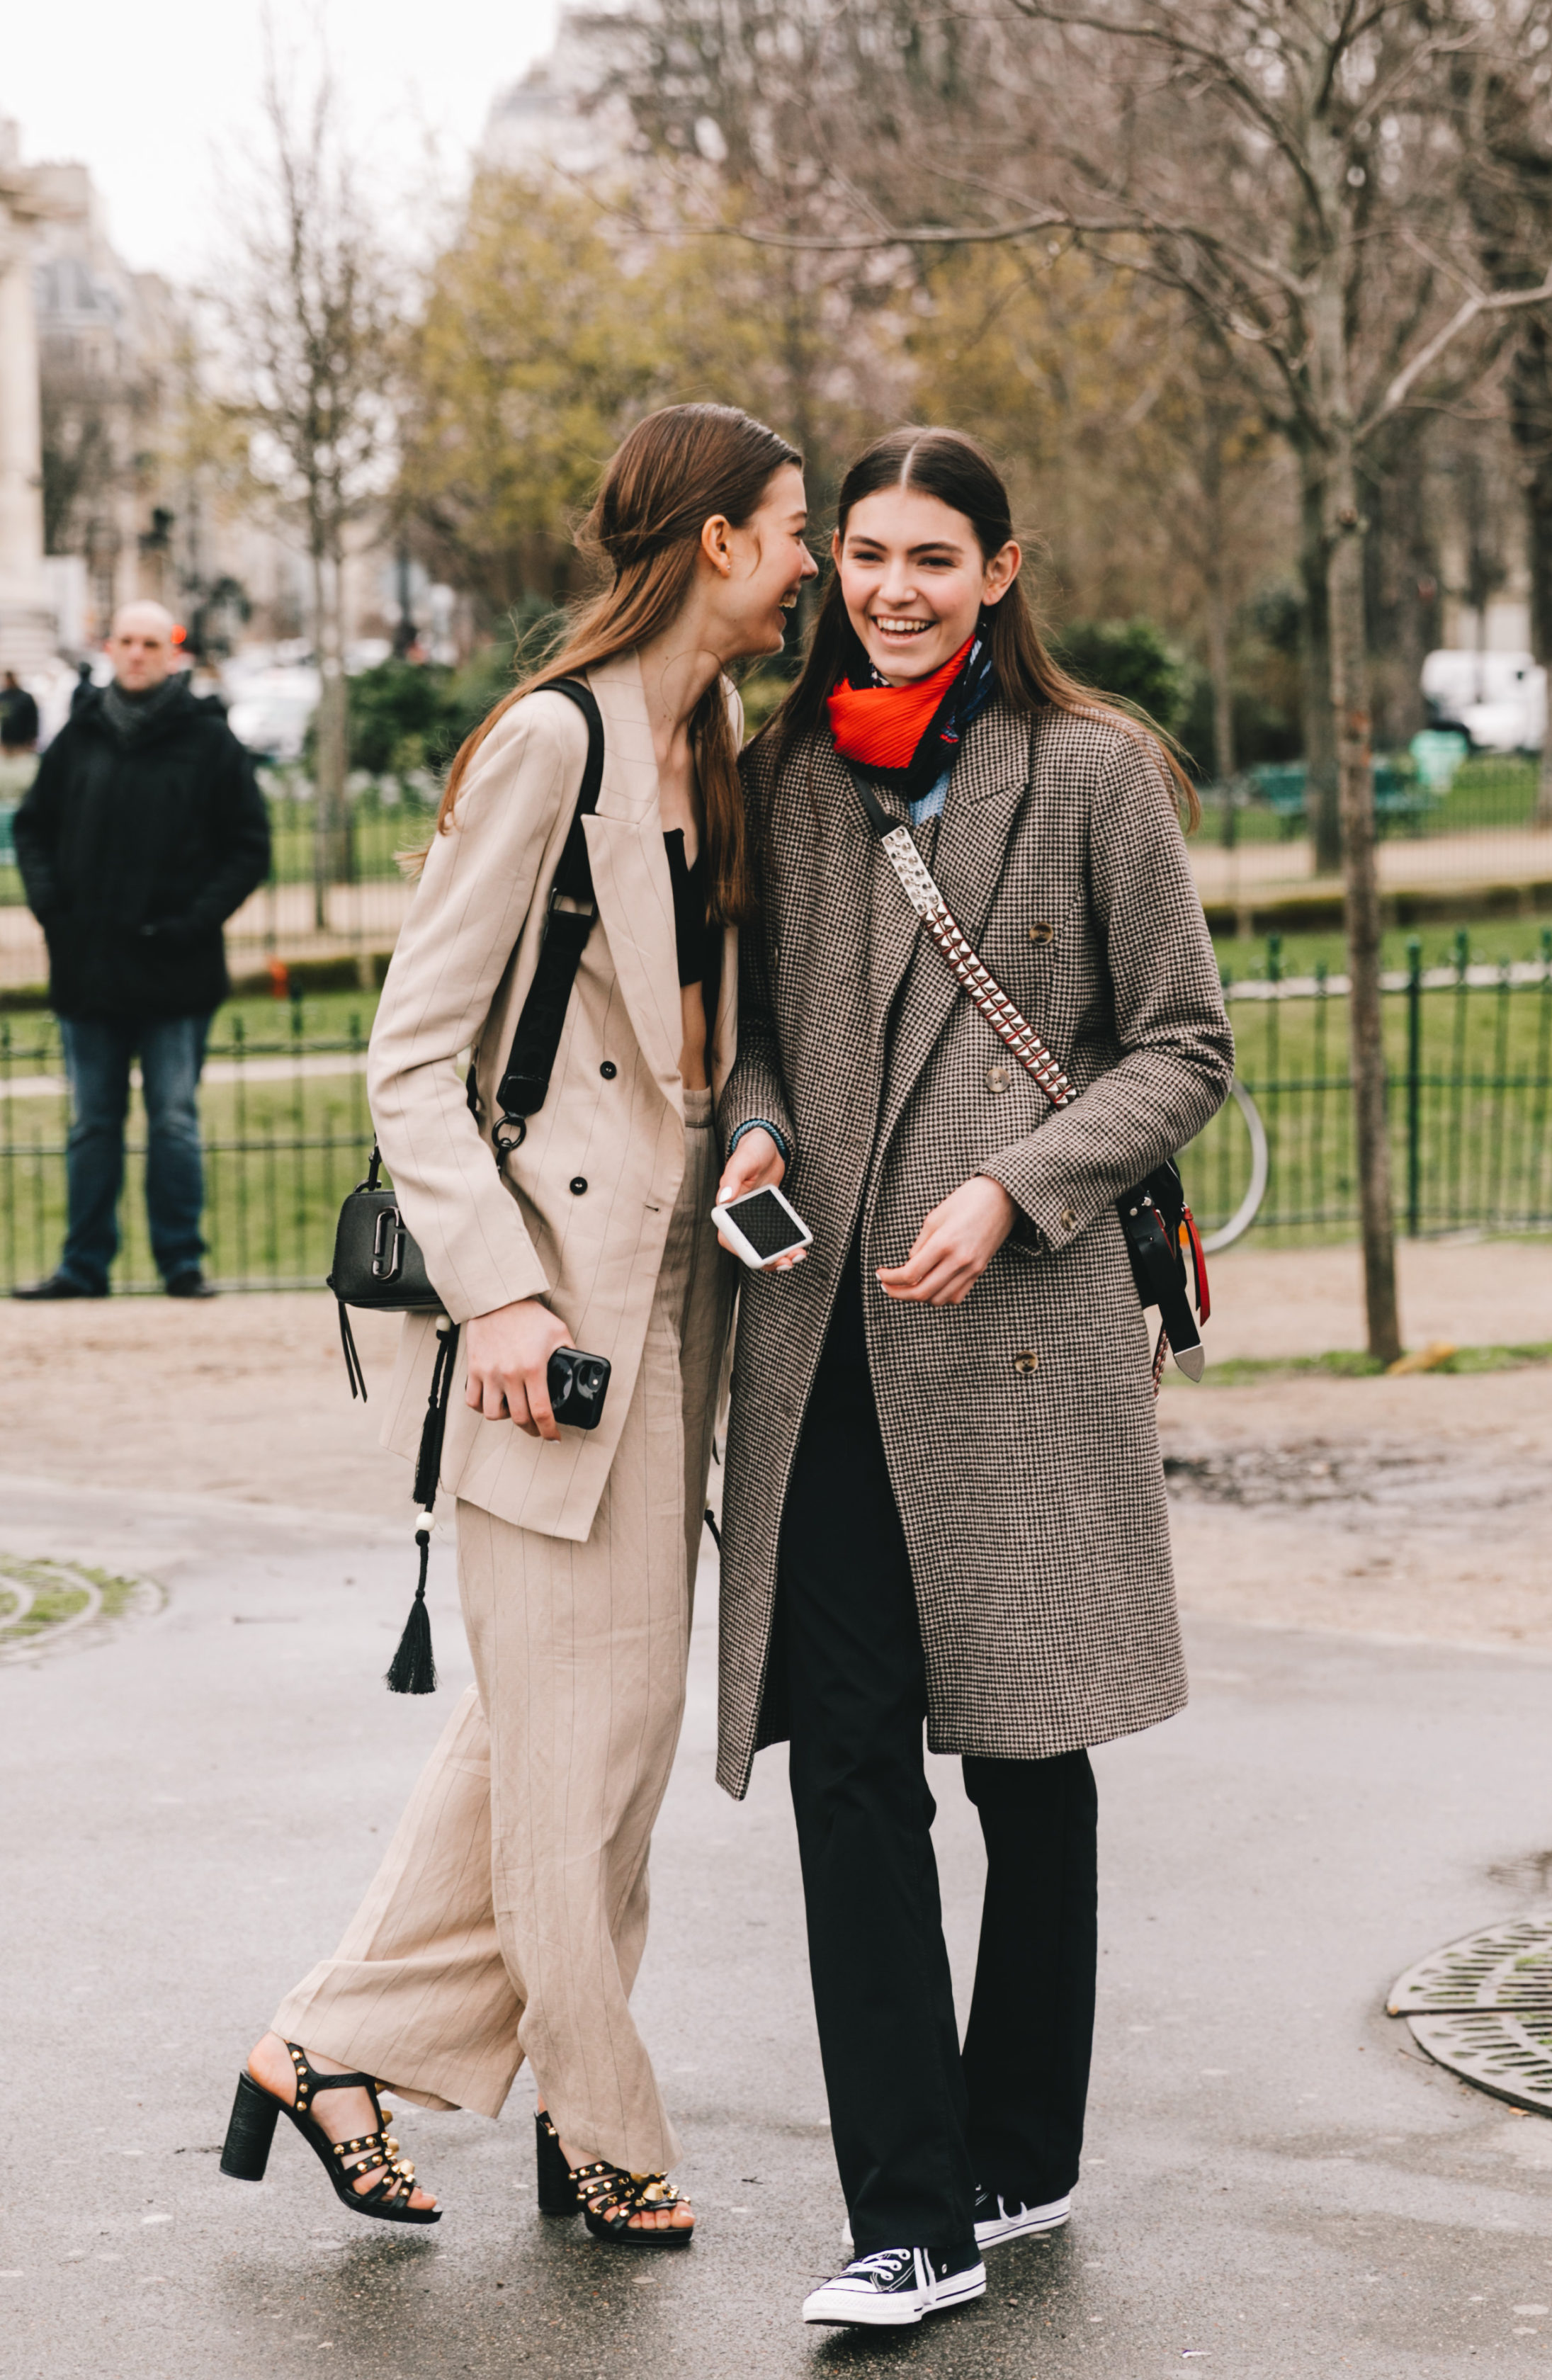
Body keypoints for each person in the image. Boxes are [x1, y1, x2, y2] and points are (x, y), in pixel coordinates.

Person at [222, 405, 817, 2241]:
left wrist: (743, 1142)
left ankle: (326, 2047)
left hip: (668, 1310)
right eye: (795, 527)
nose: (812, 559)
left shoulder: (706, 739)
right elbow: (408, 1059)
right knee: (588, 1736)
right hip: (542, 1329)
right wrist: (489, 1295)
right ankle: (601, 2122)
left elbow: (685, 1045)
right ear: (716, 541)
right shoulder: (551, 742)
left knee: (575, 1729)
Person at [712, 427, 1235, 2329]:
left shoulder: (1093, 775)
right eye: (865, 552)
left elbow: (1181, 1047)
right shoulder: (784, 776)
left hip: (1012, 1333)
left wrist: (1019, 1185)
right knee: (848, 1768)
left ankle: (1022, 2138)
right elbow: (759, 1040)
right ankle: (906, 2214)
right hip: (826, 1344)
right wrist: (758, 1136)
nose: (894, 586)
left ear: (1002, 573)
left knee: (1027, 1750)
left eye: (936, 555)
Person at [10, 602, 269, 1300]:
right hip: (88, 968)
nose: (135, 654)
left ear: (172, 653)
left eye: (150, 643)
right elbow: (32, 830)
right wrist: (54, 912)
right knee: (93, 1124)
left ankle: (180, 1264)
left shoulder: (208, 741)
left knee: (175, 1121)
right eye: (125, 641)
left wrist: (193, 921)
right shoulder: (80, 736)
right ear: (109, 647)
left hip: (175, 969)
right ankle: (83, 1266)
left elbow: (249, 846)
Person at [1, 668, 40, 754]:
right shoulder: (3, 697)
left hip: (22, 738)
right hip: (6, 738)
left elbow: (33, 718)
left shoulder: (25, 698)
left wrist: (32, 735)